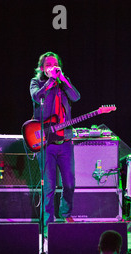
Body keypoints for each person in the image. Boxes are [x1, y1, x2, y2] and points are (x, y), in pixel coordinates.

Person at [29, 52, 81, 229]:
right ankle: (47, 225)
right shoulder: (37, 82)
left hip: (65, 142)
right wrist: (50, 82)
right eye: (48, 64)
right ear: (43, 68)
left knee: (69, 183)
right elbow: (37, 97)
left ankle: (66, 214)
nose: (52, 66)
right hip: (46, 143)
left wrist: (63, 80)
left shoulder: (63, 83)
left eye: (55, 63)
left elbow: (76, 97)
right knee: (49, 188)